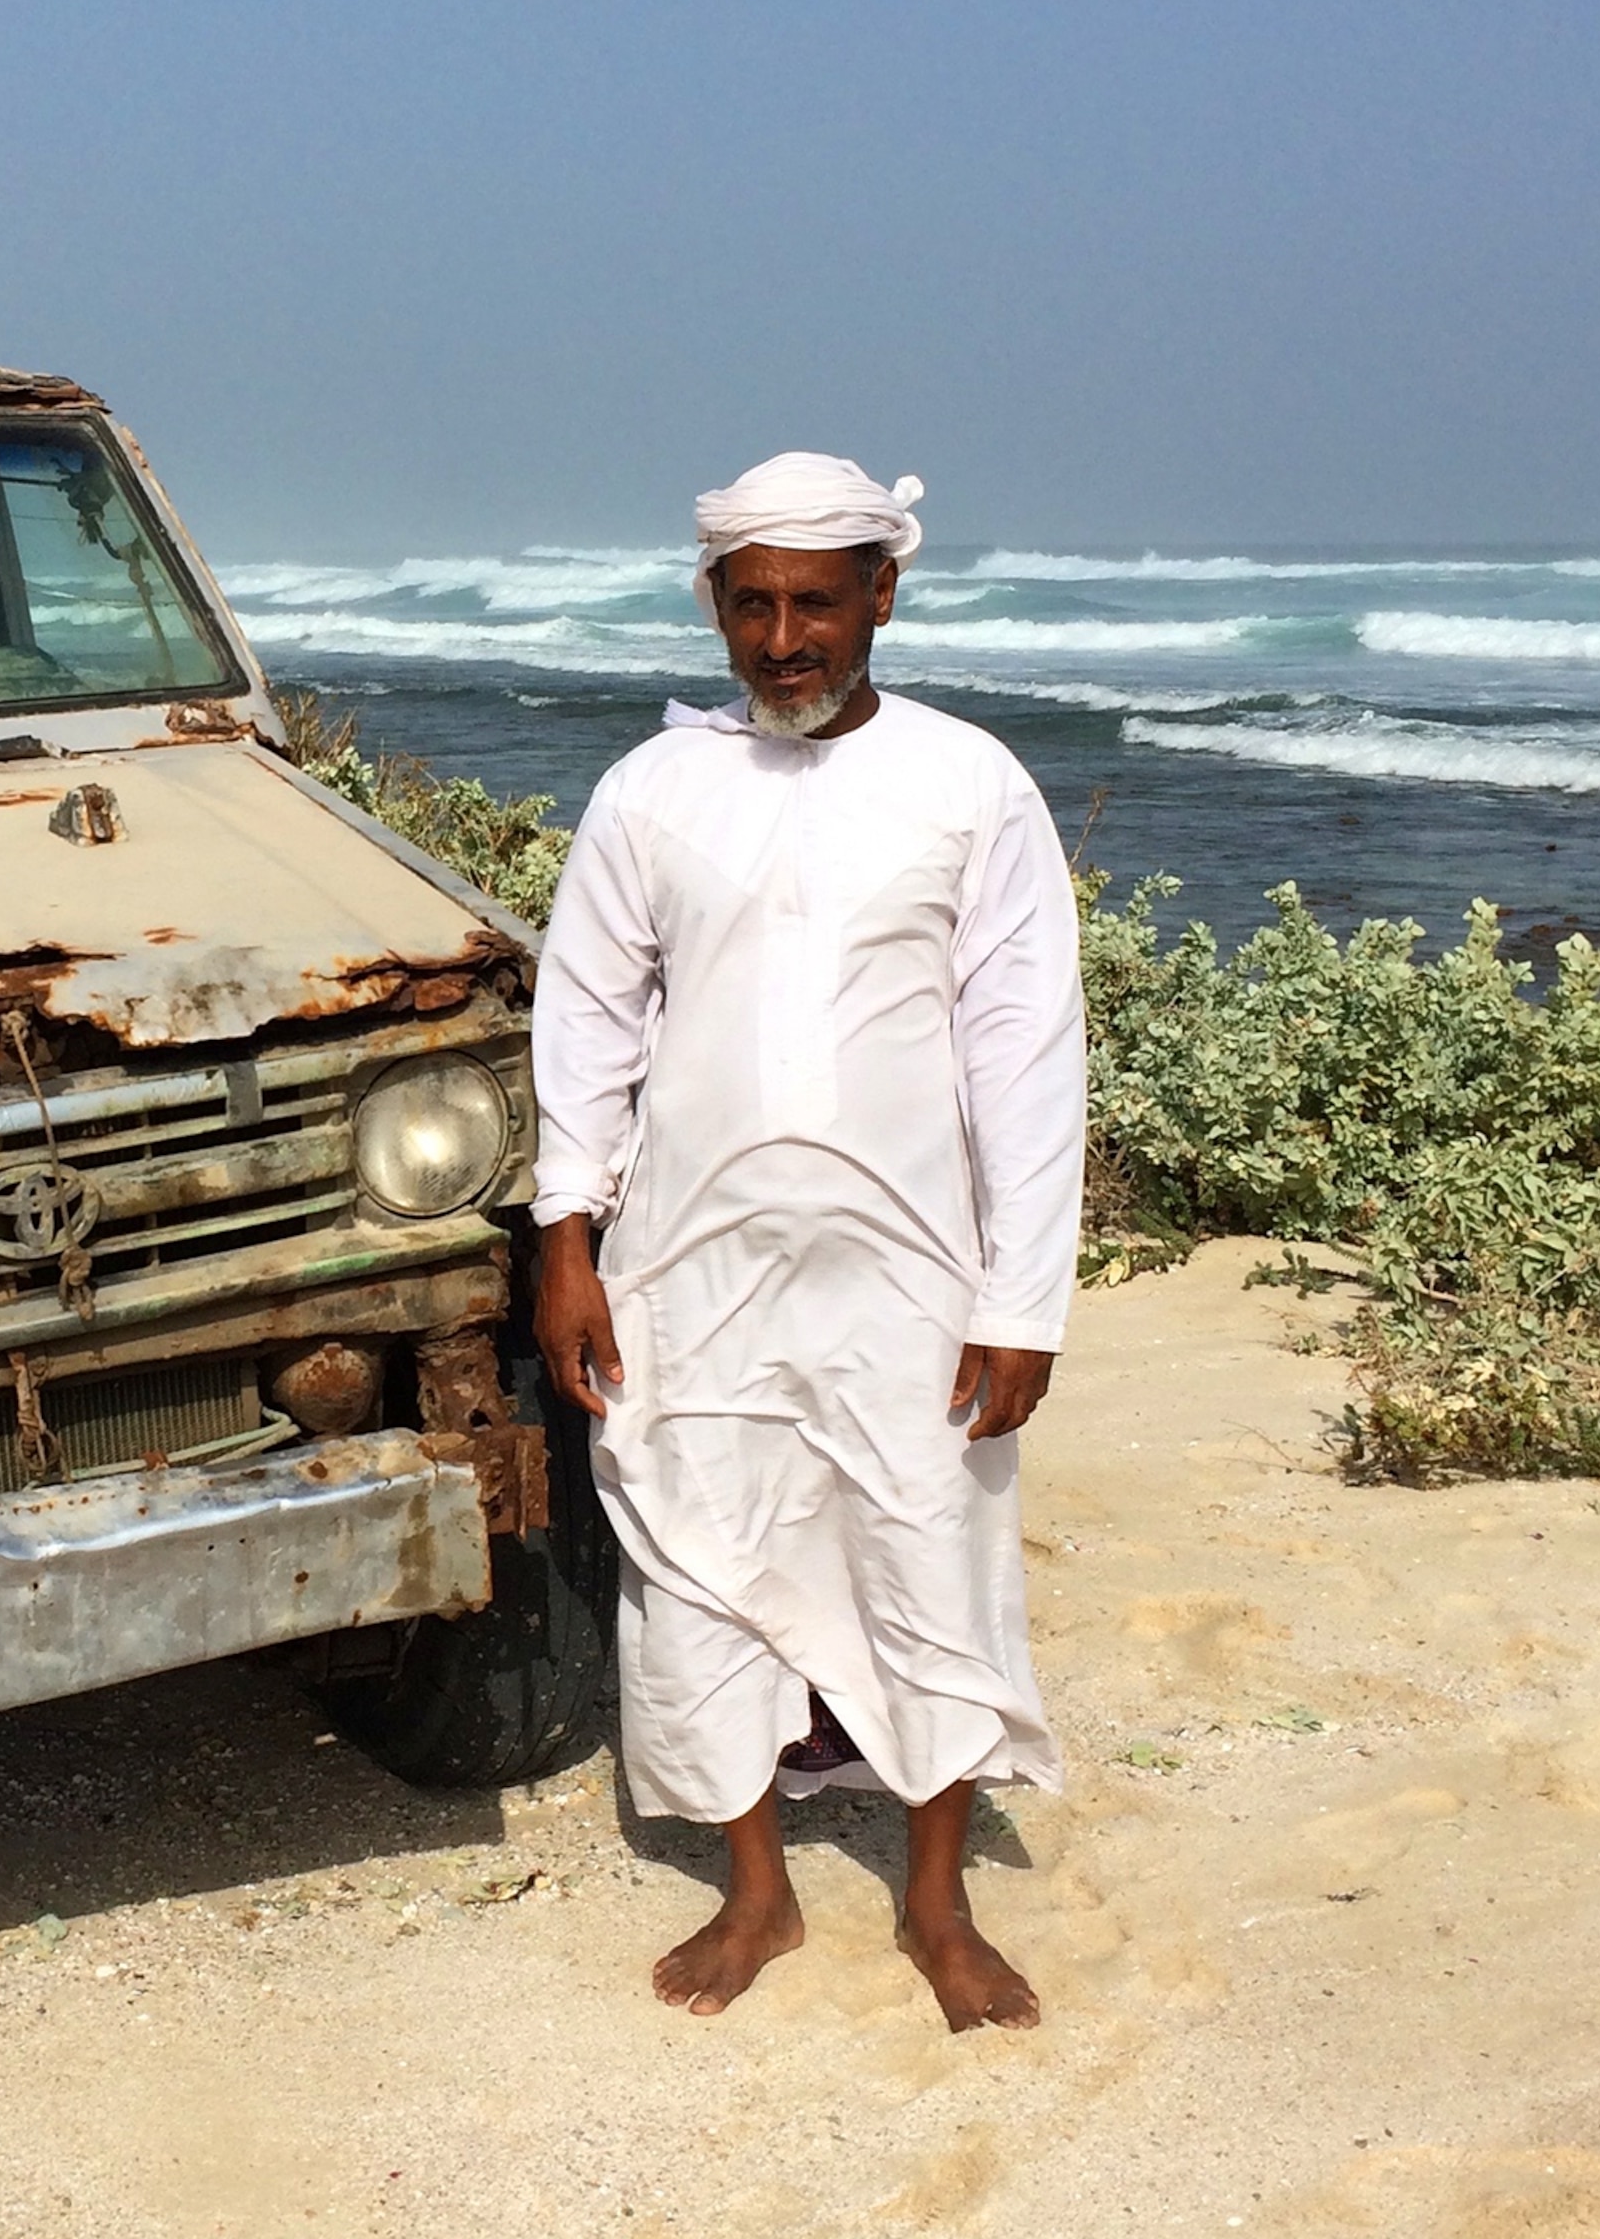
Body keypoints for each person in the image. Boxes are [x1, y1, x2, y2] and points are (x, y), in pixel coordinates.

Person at [530, 452, 1085, 2032]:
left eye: (817, 605)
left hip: (911, 1277)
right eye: (755, 604)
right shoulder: (653, 792)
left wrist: (1021, 1296)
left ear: (882, 599)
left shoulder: (971, 784)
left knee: (930, 1558)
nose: (787, 640)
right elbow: (586, 1029)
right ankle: (758, 1893)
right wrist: (566, 1244)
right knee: (698, 1560)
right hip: (687, 1268)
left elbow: (1028, 1057)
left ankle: (936, 1904)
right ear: (715, 606)